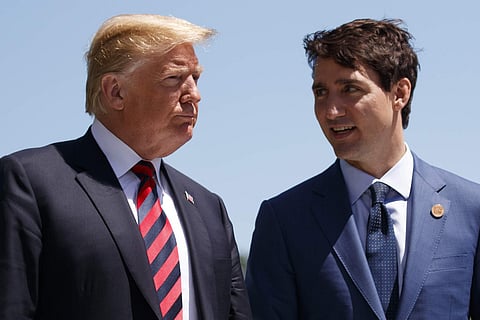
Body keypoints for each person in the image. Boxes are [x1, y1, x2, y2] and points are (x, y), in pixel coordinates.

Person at [0, 14, 251, 320]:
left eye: (195, 78)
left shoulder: (209, 209)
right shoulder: (30, 182)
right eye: (174, 78)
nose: (194, 95)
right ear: (115, 91)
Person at [246, 18, 480, 319]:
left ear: (399, 93)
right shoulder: (283, 220)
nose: (331, 110)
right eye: (320, 92)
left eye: (350, 89)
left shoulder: (471, 209)